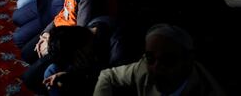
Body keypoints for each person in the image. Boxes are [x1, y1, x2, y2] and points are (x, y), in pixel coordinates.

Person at [93, 24, 226, 96]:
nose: (157, 67)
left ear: (188, 60)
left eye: (168, 59)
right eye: (150, 57)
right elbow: (108, 75)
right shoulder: (144, 67)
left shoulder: (209, 91)